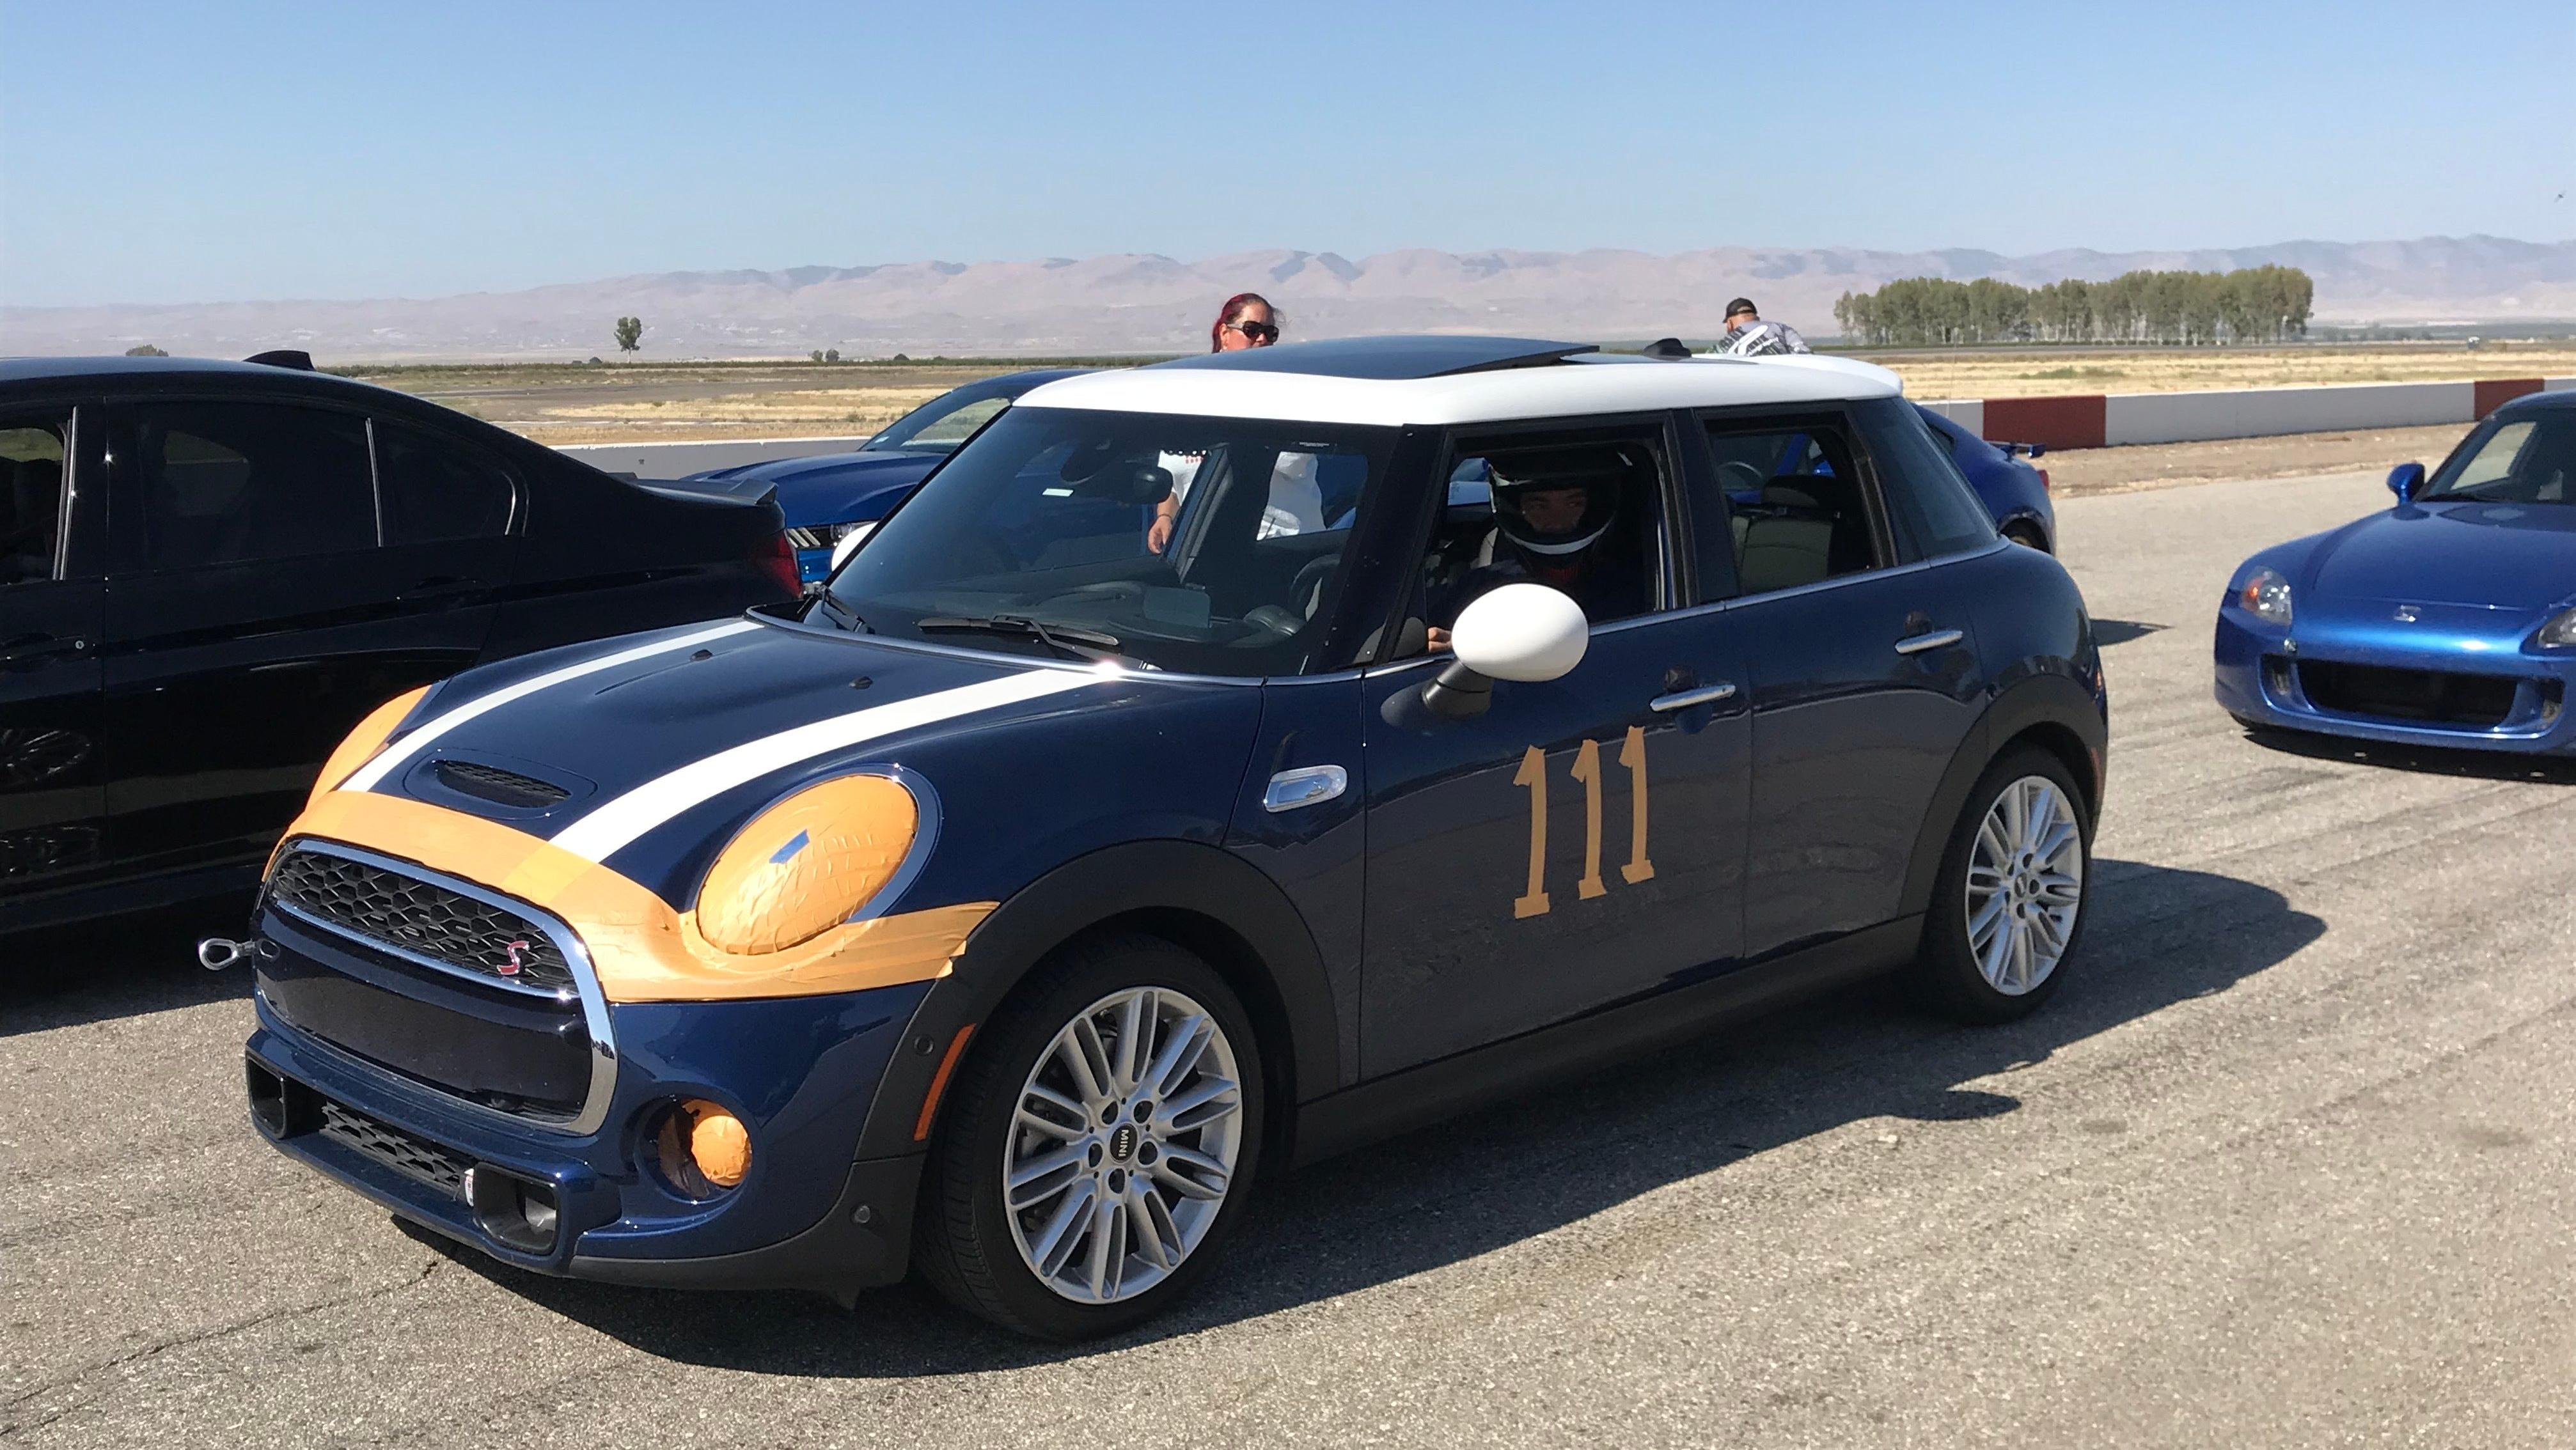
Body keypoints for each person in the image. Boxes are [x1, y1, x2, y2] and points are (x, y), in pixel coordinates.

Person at [1424, 451, 1646, 649]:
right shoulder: (1478, 588)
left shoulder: (1632, 589)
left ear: (1591, 507)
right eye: (1539, 506)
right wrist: (1447, 645)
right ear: (1517, 510)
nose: (1557, 521)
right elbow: (1431, 641)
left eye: (1574, 504)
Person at [1149, 293, 1309, 553]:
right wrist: (1165, 517)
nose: (1262, 340)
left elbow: (1291, 464)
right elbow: (1172, 479)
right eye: (1252, 330)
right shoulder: (1187, 403)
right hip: (1201, 553)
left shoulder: (1290, 401)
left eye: (1270, 333)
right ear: (1225, 334)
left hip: (1282, 552)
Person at [1716, 297, 1810, 356]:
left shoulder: (1723, 345)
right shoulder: (1782, 329)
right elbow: (1805, 355)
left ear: (1730, 324)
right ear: (1757, 319)